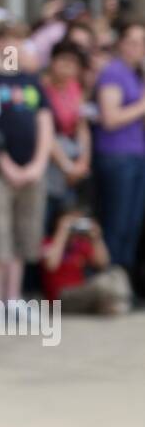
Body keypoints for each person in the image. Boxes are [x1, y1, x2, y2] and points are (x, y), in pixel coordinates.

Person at [0, 20, 54, 312]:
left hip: (31, 171)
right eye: (11, 39)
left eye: (21, 40)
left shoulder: (31, 81)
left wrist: (38, 164)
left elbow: (45, 123)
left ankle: (13, 299)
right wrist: (6, 164)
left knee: (25, 234)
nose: (17, 46)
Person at [92, 20, 145, 276]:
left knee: (132, 224)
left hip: (137, 154)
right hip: (117, 155)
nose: (139, 48)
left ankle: (123, 280)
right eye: (133, 42)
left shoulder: (138, 75)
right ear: (121, 44)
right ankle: (109, 279)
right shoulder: (113, 72)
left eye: (143, 43)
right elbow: (110, 118)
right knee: (117, 222)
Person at [40, 205, 131, 315]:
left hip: (82, 292)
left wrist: (96, 238)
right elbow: (51, 265)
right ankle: (116, 304)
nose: (76, 224)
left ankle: (115, 305)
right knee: (101, 285)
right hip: (60, 296)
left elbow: (103, 263)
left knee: (118, 273)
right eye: (73, 220)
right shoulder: (48, 242)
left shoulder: (80, 244)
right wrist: (62, 231)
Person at [41, 38, 92, 230]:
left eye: (73, 64)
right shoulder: (42, 88)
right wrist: (67, 166)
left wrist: (83, 161)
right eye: (63, 61)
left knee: (69, 218)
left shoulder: (75, 88)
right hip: (50, 164)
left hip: (72, 162)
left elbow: (82, 126)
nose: (67, 68)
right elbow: (46, 133)